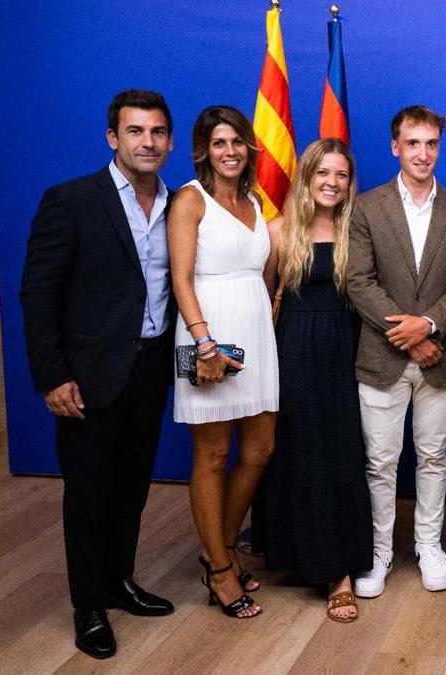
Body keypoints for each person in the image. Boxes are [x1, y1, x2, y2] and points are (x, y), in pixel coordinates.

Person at [20, 89, 177, 659]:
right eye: (135, 131)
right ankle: (87, 605)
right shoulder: (71, 200)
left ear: (169, 139)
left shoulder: (179, 202)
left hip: (151, 367)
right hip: (87, 376)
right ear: (113, 138)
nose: (148, 142)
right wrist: (52, 376)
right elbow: (38, 293)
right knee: (88, 494)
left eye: (158, 132)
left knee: (131, 489)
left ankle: (118, 583)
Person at [347, 105, 446, 597]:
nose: (423, 154)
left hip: (441, 360)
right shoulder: (366, 207)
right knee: (380, 460)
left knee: (433, 456)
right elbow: (359, 281)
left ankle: (428, 546)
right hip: (382, 359)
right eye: (413, 143)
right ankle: (378, 553)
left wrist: (429, 327)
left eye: (431, 144)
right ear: (395, 147)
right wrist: (411, 334)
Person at [169, 105, 279, 619]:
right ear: (203, 150)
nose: (230, 151)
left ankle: (223, 546)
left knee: (259, 449)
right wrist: (205, 345)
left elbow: (262, 275)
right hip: (207, 333)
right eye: (219, 143)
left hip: (255, 334)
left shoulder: (256, 201)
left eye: (237, 142)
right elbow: (182, 279)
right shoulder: (191, 200)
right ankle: (218, 569)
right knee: (212, 455)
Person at [258, 138, 373, 623]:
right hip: (294, 354)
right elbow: (260, 302)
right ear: (306, 178)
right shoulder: (279, 232)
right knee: (298, 448)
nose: (332, 182)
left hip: (347, 353)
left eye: (341, 174)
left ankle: (338, 570)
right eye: (322, 173)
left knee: (342, 451)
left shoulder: (358, 233)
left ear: (350, 182)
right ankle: (294, 554)